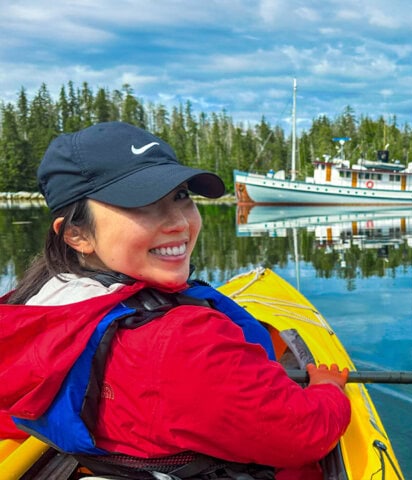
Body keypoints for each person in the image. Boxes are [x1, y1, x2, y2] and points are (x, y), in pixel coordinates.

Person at [0, 121, 351, 480]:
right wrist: (328, 390)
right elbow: (304, 434)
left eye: (180, 196)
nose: (179, 223)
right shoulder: (187, 342)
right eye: (141, 203)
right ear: (77, 234)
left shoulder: (33, 308)